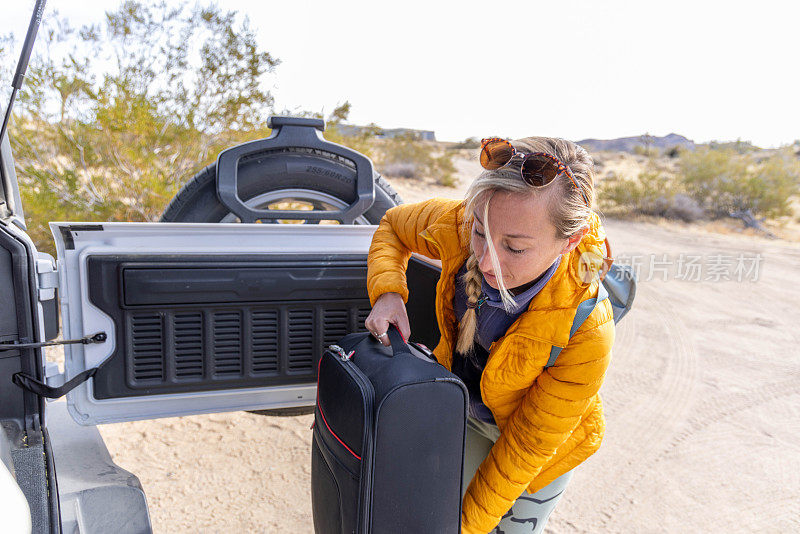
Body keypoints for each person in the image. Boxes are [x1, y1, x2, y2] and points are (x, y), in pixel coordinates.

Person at [364, 136, 615, 534]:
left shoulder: (587, 329)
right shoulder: (459, 220)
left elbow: (525, 447)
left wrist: (463, 527)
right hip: (462, 410)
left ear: (568, 243)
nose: (484, 261)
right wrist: (388, 292)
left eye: (514, 249)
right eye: (481, 232)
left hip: (531, 449)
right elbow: (393, 226)